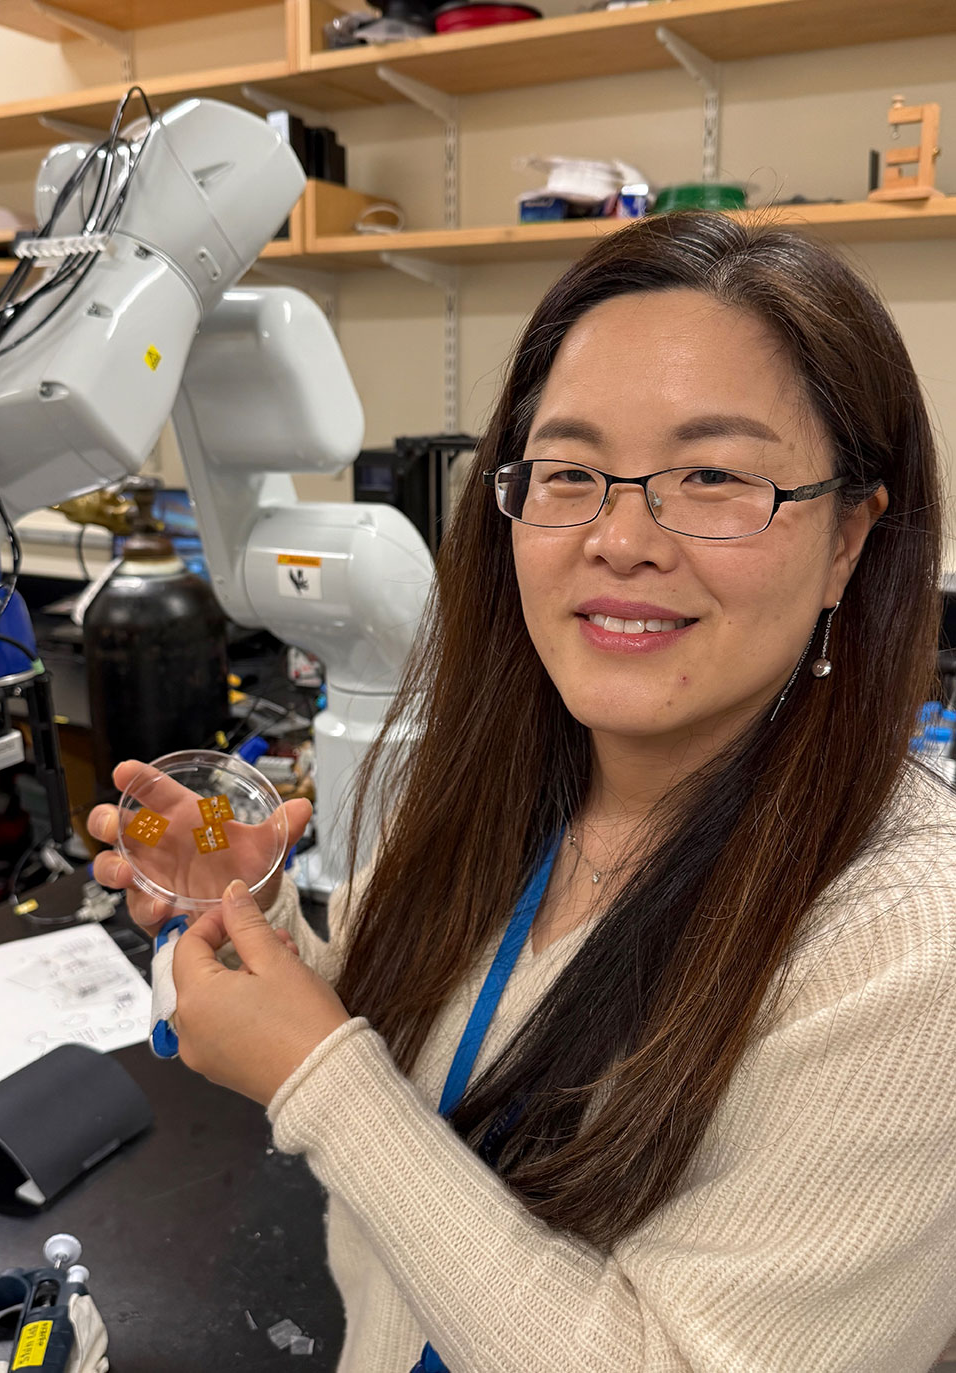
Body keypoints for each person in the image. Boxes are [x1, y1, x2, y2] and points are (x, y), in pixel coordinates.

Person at [88, 211, 956, 1373]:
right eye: (571, 472)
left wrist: (311, 1070)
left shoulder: (909, 942)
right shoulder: (480, 792)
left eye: (711, 474)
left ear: (849, 534)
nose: (620, 537)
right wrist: (254, 932)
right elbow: (437, 1062)